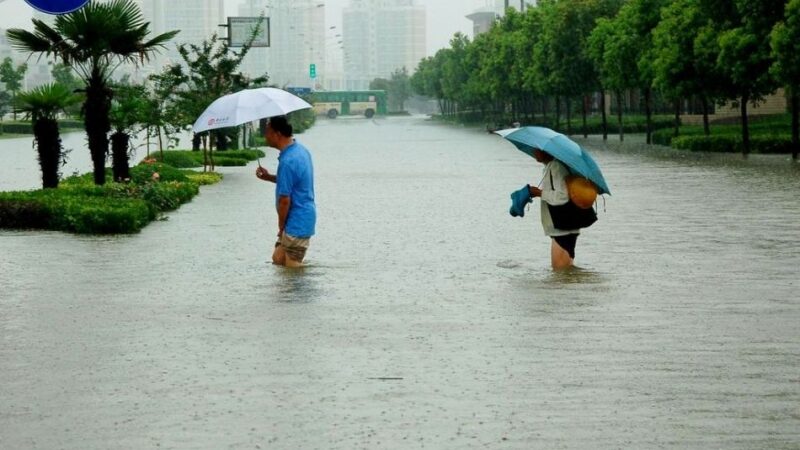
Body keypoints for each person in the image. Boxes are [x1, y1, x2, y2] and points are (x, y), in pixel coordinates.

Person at [255, 116, 316, 268]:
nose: (265, 136)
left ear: (278, 134)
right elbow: (292, 182)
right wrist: (269, 177)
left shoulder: (288, 161)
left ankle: (300, 292)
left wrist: (281, 226)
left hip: (297, 221)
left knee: (292, 269)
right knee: (278, 259)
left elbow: (284, 200)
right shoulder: (300, 150)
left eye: (268, 132)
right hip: (301, 218)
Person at [527, 149, 580, 270]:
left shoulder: (556, 167)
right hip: (563, 226)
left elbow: (563, 196)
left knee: (560, 271)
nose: (533, 152)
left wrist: (540, 193)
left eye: (536, 150)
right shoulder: (550, 167)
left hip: (563, 227)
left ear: (546, 151)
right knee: (566, 271)